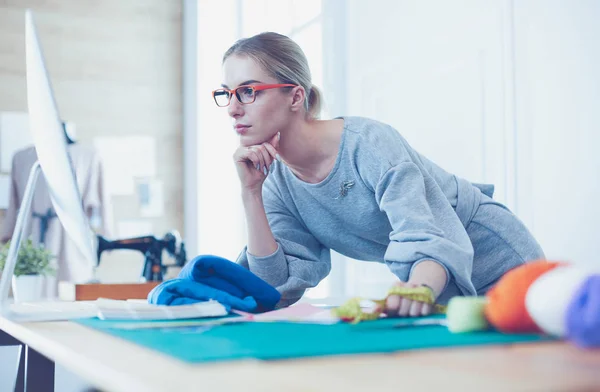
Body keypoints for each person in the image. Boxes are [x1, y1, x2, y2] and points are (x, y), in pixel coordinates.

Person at [213, 32, 545, 317]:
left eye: (248, 91)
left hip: (499, 265)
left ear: (296, 96)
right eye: (227, 93)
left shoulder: (368, 144)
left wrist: (417, 290)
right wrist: (251, 193)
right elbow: (272, 286)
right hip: (436, 286)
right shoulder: (276, 182)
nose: (232, 108)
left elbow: (426, 233)